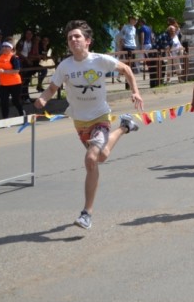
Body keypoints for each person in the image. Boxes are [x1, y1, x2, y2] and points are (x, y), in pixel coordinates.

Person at [34, 19, 143, 230]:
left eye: (77, 37)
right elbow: (52, 88)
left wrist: (135, 92)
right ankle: (125, 126)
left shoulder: (100, 60)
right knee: (101, 157)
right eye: (70, 38)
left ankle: (86, 213)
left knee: (91, 158)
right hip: (79, 121)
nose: (73, 40)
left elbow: (127, 70)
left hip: (100, 117)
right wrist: (43, 99)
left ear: (87, 41)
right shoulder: (65, 66)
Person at [0, 40, 25, 119]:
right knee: (4, 102)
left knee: (16, 101)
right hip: (3, 83)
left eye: (7, 47)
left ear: (11, 49)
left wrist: (4, 71)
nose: (4, 48)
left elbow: (17, 70)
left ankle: (22, 114)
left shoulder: (14, 57)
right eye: (3, 46)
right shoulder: (0, 56)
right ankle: (5, 119)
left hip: (14, 83)